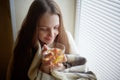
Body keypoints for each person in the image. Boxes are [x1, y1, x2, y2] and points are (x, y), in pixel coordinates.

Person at [7, 0, 96, 80]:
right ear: (32, 27)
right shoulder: (23, 41)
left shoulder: (66, 37)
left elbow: (80, 70)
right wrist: (44, 69)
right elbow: (13, 75)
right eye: (44, 29)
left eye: (56, 27)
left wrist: (62, 68)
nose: (51, 34)